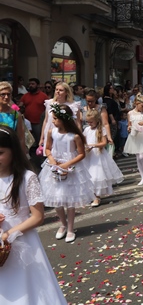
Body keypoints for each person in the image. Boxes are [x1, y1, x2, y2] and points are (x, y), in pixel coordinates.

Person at [0, 125, 67, 304]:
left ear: (13, 151)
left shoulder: (26, 177)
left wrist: (9, 234)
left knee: (28, 287)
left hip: (23, 240)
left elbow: (37, 217)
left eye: (0, 153)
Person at [39, 104, 94, 244]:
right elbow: (48, 148)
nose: (53, 121)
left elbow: (81, 154)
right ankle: (63, 224)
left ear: (64, 119)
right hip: (54, 166)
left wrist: (67, 164)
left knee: (70, 200)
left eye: (55, 118)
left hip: (70, 168)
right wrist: (52, 159)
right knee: (56, 198)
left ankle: (70, 228)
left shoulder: (74, 136)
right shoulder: (51, 132)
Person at [83, 109, 124, 207]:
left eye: (91, 122)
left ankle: (97, 196)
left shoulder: (101, 129)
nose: (89, 124)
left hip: (97, 155)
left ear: (97, 120)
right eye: (88, 122)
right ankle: (91, 195)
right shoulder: (86, 130)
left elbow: (104, 143)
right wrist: (85, 147)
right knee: (88, 176)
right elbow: (84, 141)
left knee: (96, 176)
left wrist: (93, 145)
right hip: (89, 155)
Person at [123, 94, 143, 186]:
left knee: (142, 156)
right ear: (136, 104)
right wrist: (129, 128)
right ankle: (142, 176)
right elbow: (129, 125)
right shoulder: (130, 113)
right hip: (135, 135)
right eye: (142, 106)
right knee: (138, 157)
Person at [19, 78, 48, 152]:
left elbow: (47, 109)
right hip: (27, 123)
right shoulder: (25, 96)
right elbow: (20, 106)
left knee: (39, 141)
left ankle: (40, 155)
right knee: (28, 141)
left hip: (38, 123)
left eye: (33, 84)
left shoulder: (43, 96)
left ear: (37, 85)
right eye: (30, 84)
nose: (31, 85)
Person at [0, 82, 26, 152]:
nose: (6, 97)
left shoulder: (15, 114)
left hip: (10, 150)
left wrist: (22, 155)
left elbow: (21, 138)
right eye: (3, 94)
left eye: (8, 94)